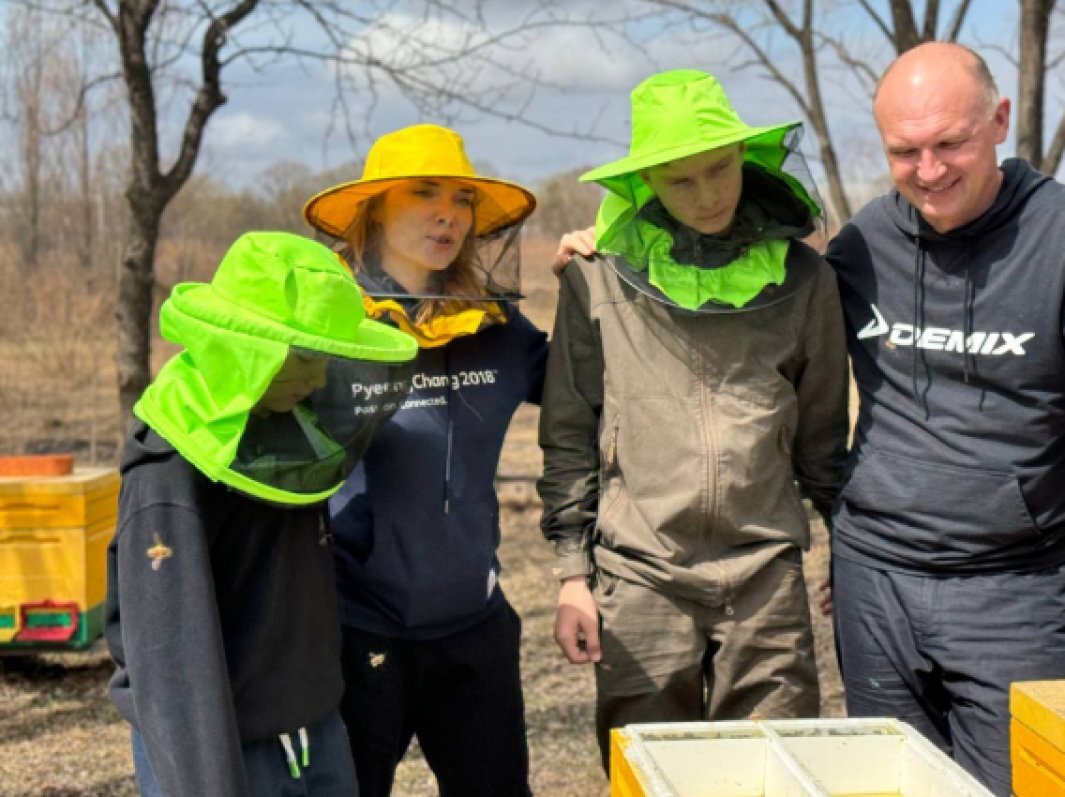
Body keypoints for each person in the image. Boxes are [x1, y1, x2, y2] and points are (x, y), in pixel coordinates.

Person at [825, 42, 1065, 795]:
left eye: (950, 143)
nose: (928, 171)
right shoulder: (863, 245)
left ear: (998, 120)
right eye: (905, 151)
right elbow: (761, 335)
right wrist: (627, 254)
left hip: (1016, 594)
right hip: (875, 585)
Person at [537, 69, 848, 772]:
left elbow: (825, 438)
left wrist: (846, 549)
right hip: (640, 574)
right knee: (652, 772)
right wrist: (569, 571)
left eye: (720, 168)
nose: (708, 195)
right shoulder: (595, 277)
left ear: (747, 156)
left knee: (773, 771)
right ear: (645, 180)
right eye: (681, 181)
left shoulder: (806, 281)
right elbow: (569, 433)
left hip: (765, 572)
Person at [105, 231, 419, 796]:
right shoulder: (167, 476)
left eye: (326, 357)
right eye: (302, 357)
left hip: (315, 735)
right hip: (224, 753)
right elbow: (173, 672)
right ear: (242, 349)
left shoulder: (292, 431)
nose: (319, 378)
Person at [303, 123, 545, 797]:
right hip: (356, 629)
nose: (448, 213)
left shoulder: (497, 329)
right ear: (373, 208)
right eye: (423, 192)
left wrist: (597, 283)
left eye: (463, 198)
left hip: (476, 631)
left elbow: (590, 390)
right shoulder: (327, 326)